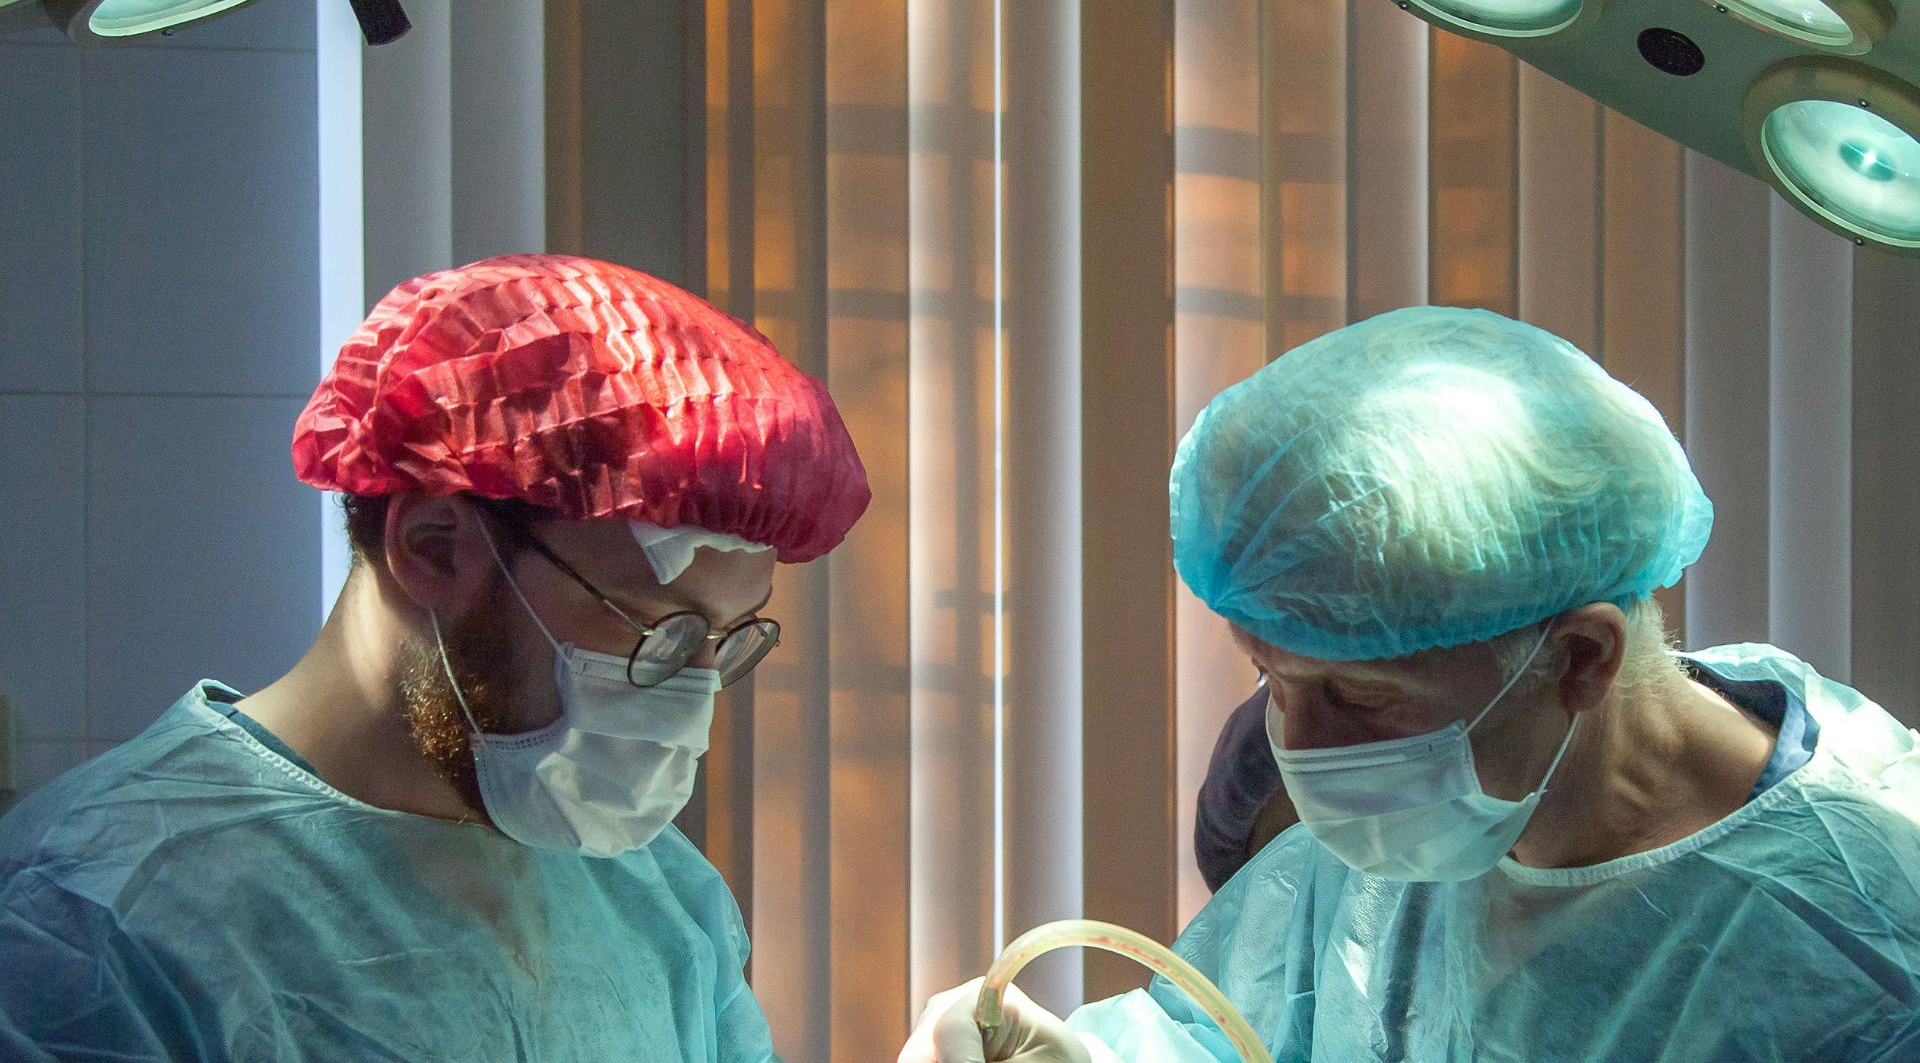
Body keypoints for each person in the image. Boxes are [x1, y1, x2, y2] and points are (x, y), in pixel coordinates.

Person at [902, 306, 1920, 1062]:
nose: (1298, 750)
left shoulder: (1855, 959)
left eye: (1362, 699)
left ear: (1580, 659)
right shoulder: (1431, 821)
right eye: (1269, 676)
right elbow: (1227, 1030)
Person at [0, 254, 869, 1060]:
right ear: (435, 542)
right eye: (659, 628)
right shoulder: (98, 922)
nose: (692, 694)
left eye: (722, 640)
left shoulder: (650, 895)